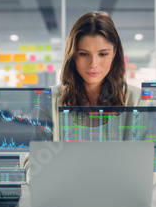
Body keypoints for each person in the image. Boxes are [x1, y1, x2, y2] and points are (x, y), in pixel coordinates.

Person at [48, 11, 143, 140]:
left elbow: (144, 156)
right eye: (83, 54)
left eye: (103, 54)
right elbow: (34, 157)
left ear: (114, 53)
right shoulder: (50, 98)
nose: (93, 64)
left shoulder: (136, 99)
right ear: (73, 55)